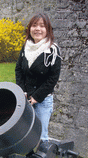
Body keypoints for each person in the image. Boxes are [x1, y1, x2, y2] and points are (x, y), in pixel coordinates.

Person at [15, 12, 62, 145]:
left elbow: (53, 78)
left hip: (42, 100)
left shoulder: (53, 51)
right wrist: (22, 90)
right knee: (25, 131)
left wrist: (36, 97)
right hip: (25, 98)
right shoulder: (26, 47)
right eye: (34, 25)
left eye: (42, 26)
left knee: (41, 134)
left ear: (47, 29)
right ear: (30, 28)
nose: (38, 29)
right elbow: (19, 70)